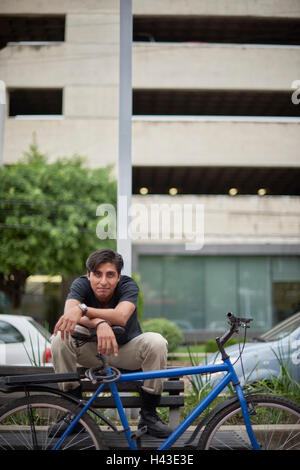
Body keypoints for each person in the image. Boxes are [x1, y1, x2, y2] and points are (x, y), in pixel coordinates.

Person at [51, 248, 173, 438]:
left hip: (125, 352)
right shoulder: (80, 284)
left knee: (156, 342)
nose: (103, 281)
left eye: (110, 275)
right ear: (88, 275)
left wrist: (82, 309)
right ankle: (74, 415)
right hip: (92, 352)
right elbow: (70, 314)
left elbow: (121, 316)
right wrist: (100, 323)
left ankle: (149, 416)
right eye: (97, 275)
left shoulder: (128, 284)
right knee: (61, 338)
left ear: (118, 277)